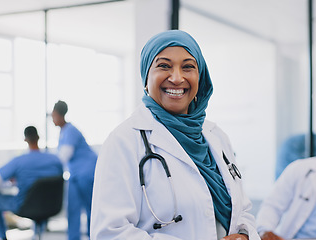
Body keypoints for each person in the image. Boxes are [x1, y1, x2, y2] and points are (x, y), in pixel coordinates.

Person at [90, 30, 258, 240]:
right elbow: (110, 233)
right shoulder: (124, 141)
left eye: (188, 67)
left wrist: (244, 235)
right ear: (146, 76)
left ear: (200, 76)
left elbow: (242, 210)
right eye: (164, 66)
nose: (177, 78)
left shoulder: (216, 136)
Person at [0, 126, 63, 240]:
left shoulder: (19, 161)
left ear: (25, 139)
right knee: (39, 200)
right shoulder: (55, 160)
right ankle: (39, 231)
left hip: (24, 206)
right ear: (38, 138)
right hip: (51, 206)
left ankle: (0, 237)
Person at [52, 100, 97, 240]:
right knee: (72, 210)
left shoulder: (71, 130)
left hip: (87, 172)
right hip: (75, 175)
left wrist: (46, 166)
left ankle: (93, 236)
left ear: (59, 115)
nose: (52, 119)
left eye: (53, 115)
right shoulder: (63, 132)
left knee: (91, 209)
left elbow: (64, 156)